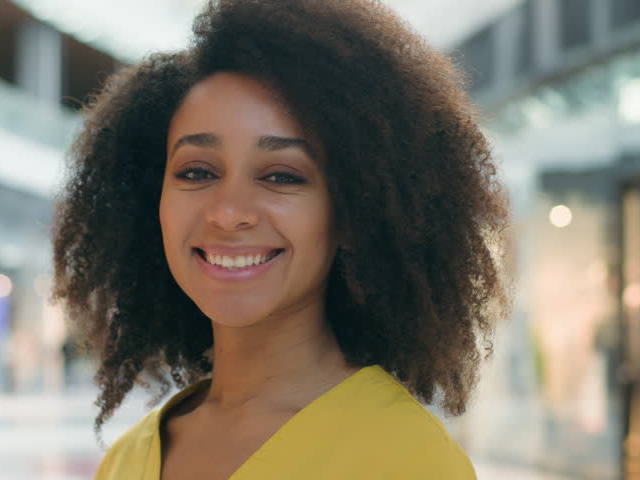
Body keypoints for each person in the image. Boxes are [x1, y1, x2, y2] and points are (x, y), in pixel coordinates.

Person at [50, 0, 510, 478]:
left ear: (353, 213)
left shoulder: (410, 461)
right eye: (197, 171)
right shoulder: (126, 460)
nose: (228, 212)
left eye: (282, 176)